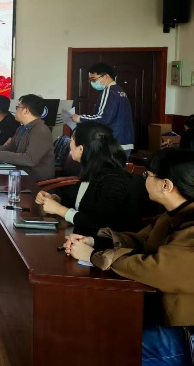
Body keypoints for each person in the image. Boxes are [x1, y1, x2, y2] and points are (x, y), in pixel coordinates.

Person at [64, 148, 194, 366]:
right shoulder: (173, 214)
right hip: (163, 316)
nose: (144, 179)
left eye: (148, 175)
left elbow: (158, 269)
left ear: (166, 185)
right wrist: (95, 242)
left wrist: (96, 256)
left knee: (106, 347)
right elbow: (142, 240)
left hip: (186, 334)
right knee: (94, 330)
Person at [35, 122, 147, 236]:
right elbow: (74, 198)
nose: (70, 144)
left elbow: (99, 223)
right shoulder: (92, 172)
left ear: (81, 149)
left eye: (72, 140)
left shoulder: (113, 180)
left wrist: (60, 210)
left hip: (106, 244)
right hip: (82, 238)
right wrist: (54, 198)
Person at [0, 94, 55, 182]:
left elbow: (30, 159)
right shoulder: (22, 128)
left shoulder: (40, 131)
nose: (16, 110)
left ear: (26, 111)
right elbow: (9, 148)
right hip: (20, 174)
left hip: (35, 181)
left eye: (18, 107)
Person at [71, 63, 134, 156]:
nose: (92, 83)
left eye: (94, 79)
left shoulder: (109, 91)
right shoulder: (120, 90)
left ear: (106, 76)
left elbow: (103, 119)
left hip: (114, 142)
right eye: (90, 80)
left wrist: (79, 118)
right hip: (125, 141)